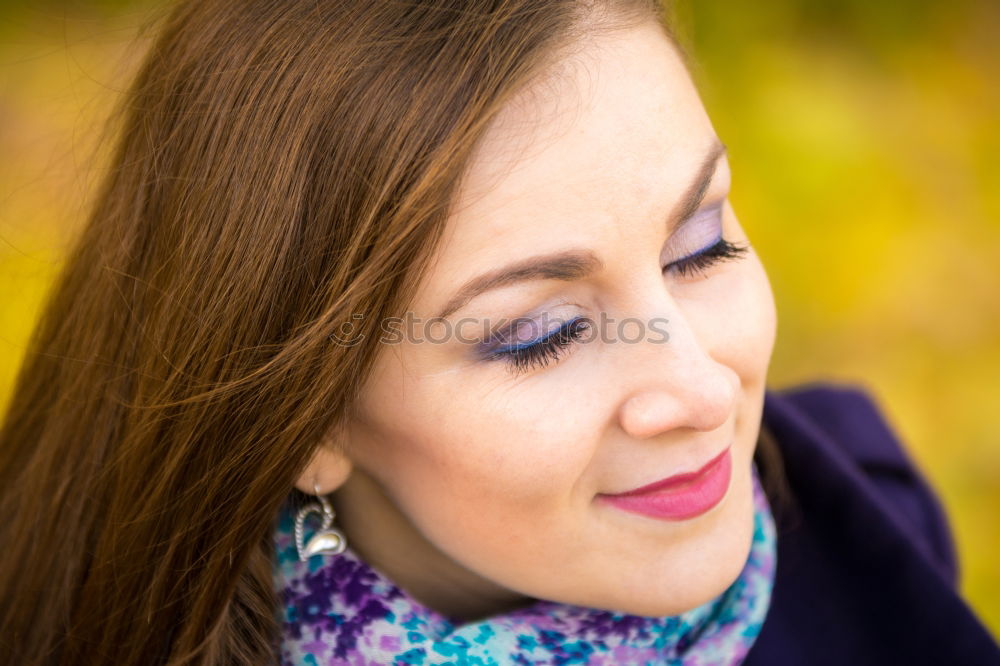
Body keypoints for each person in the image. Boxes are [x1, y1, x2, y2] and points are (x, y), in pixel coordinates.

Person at [0, 0, 996, 664]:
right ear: (303, 421)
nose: (699, 390)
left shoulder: (870, 515)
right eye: (541, 333)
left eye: (699, 246)